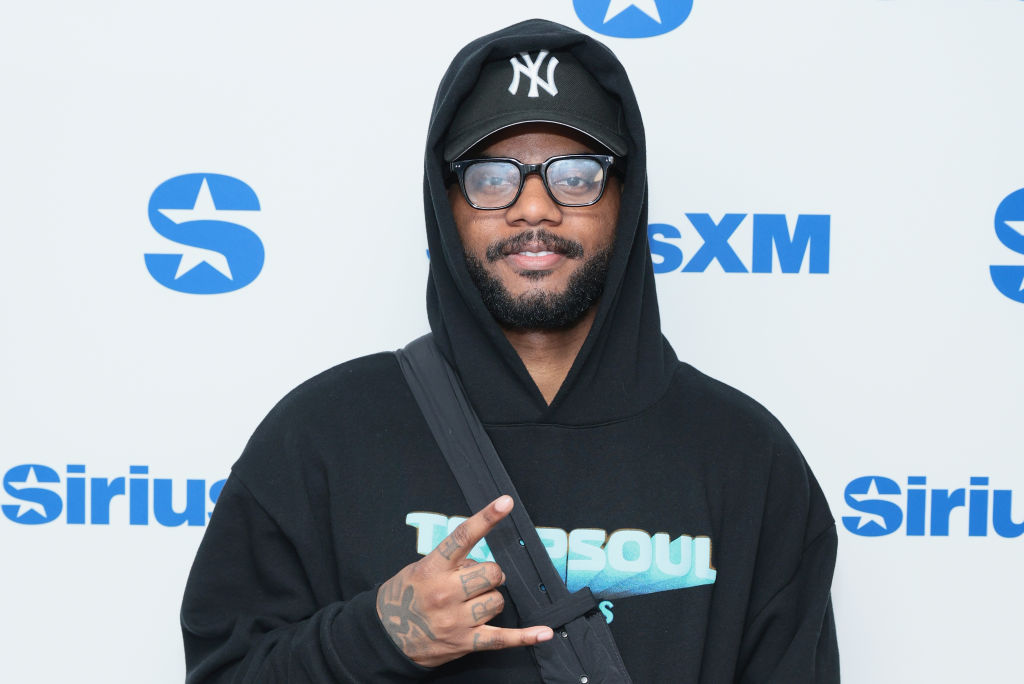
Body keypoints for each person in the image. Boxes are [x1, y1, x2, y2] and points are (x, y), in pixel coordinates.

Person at [181, 18, 839, 683]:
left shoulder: (747, 458)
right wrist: (375, 637)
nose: (533, 209)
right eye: (493, 178)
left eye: (575, 175)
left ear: (626, 197)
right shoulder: (321, 436)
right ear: (446, 203)